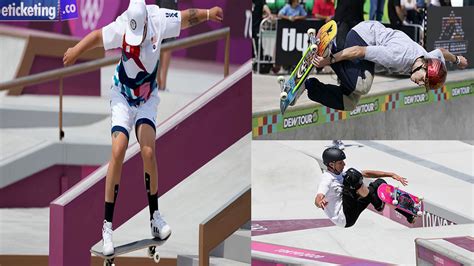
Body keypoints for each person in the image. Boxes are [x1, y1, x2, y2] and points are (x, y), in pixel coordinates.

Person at [63, 0, 223, 255]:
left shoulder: (159, 18)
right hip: (122, 96)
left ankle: (155, 218)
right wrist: (76, 50)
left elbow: (186, 17)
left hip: (147, 98)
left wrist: (208, 13)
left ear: (147, 21)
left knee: (148, 152)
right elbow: (95, 36)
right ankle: (107, 227)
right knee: (118, 150)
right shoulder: (122, 25)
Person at [303, 20, 468, 111]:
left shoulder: (430, 59)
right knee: (362, 86)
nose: (418, 83)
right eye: (422, 81)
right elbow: (358, 51)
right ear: (423, 67)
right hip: (362, 36)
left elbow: (440, 51)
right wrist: (329, 60)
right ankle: (330, 50)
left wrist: (457, 60)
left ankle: (309, 86)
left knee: (350, 103)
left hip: (368, 48)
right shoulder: (398, 57)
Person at [314, 147, 415, 228]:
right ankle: (378, 203)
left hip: (354, 207)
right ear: (331, 164)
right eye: (340, 163)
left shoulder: (342, 171)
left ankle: (409, 216)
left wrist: (391, 174)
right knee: (352, 176)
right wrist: (319, 202)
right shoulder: (326, 179)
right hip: (344, 216)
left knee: (380, 183)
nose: (344, 164)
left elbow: (366, 173)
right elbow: (319, 196)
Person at [156, 0, 178, 91]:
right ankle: (162, 83)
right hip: (168, 6)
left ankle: (158, 82)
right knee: (167, 44)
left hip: (161, 6)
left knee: (161, 43)